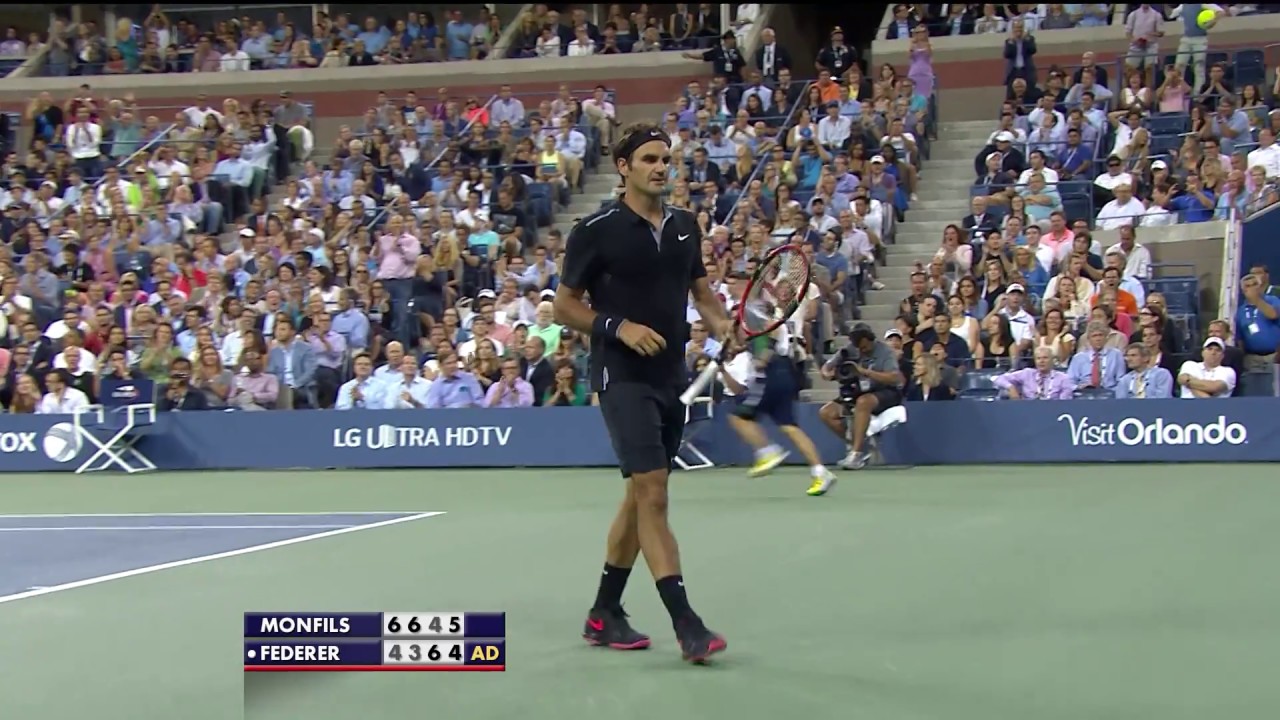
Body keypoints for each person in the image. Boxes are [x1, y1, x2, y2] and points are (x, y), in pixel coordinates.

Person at [554, 122, 732, 664]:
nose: (661, 167)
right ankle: (687, 624)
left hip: (671, 378)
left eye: (665, 159)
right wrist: (618, 327)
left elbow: (702, 294)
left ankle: (604, 611)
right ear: (624, 167)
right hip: (621, 377)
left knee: (639, 496)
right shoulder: (596, 229)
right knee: (654, 493)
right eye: (650, 159)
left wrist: (721, 322)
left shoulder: (685, 225)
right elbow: (564, 306)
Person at [721, 306, 837, 496]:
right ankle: (821, 473)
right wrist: (733, 347)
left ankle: (767, 452)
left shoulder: (753, 313)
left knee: (738, 416)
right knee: (789, 426)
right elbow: (752, 341)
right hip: (784, 374)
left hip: (771, 374)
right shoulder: (753, 320)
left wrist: (763, 357)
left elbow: (770, 334)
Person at [817, 325, 906, 470]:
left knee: (863, 402)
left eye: (864, 347)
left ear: (870, 340)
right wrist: (828, 373)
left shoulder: (885, 352)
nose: (861, 350)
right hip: (857, 390)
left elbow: (894, 378)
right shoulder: (849, 349)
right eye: (858, 347)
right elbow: (826, 367)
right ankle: (857, 446)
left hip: (886, 392)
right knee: (826, 413)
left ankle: (856, 454)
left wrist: (864, 372)